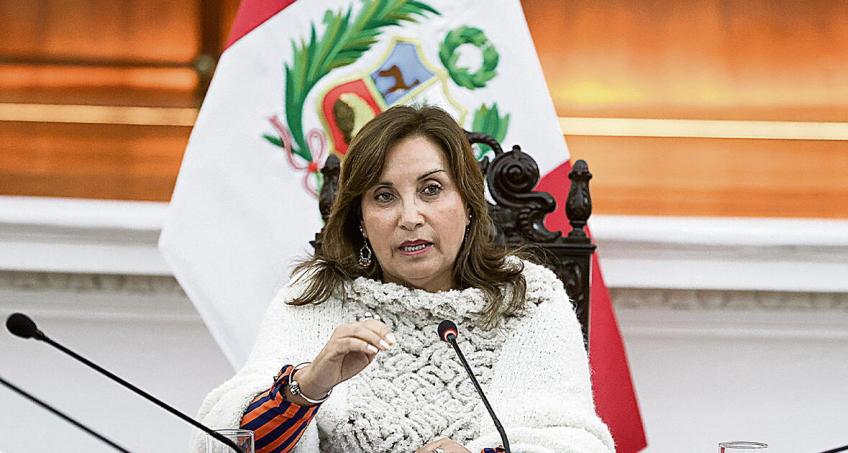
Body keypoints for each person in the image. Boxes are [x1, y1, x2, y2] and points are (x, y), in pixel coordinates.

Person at [194, 105, 614, 453]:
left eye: (431, 189)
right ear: (360, 218)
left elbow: (572, 444)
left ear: (468, 204)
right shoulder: (317, 295)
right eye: (384, 196)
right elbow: (232, 444)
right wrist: (308, 386)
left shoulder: (527, 298)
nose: (410, 217)